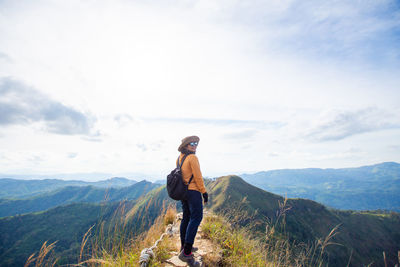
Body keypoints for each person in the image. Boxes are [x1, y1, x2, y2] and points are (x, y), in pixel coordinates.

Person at [177, 136, 208, 267]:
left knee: (186, 218)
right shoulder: (193, 158)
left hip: (183, 192)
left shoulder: (180, 157)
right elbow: (198, 177)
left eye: (196, 143)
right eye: (192, 144)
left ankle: (183, 247)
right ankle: (187, 252)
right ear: (186, 145)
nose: (195, 146)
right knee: (196, 218)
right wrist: (204, 192)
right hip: (193, 192)